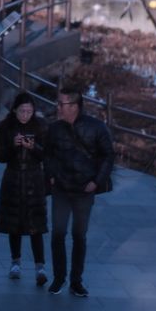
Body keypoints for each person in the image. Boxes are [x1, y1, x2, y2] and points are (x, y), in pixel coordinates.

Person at [42, 88, 114, 296]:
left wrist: (96, 182)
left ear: (74, 106)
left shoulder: (96, 128)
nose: (58, 108)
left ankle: (76, 281)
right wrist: (52, 175)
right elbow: (48, 154)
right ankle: (58, 278)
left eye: (61, 104)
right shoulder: (54, 128)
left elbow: (108, 156)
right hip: (61, 188)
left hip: (84, 189)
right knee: (58, 233)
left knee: (79, 235)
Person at [0, 93, 49, 285]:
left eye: (29, 111)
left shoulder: (42, 127)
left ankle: (40, 266)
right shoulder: (5, 128)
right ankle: (15, 261)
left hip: (35, 179)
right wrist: (13, 146)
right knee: (14, 223)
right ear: (14, 110)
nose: (26, 115)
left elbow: (47, 155)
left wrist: (33, 147)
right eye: (22, 111)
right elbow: (0, 156)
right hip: (13, 177)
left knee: (37, 225)